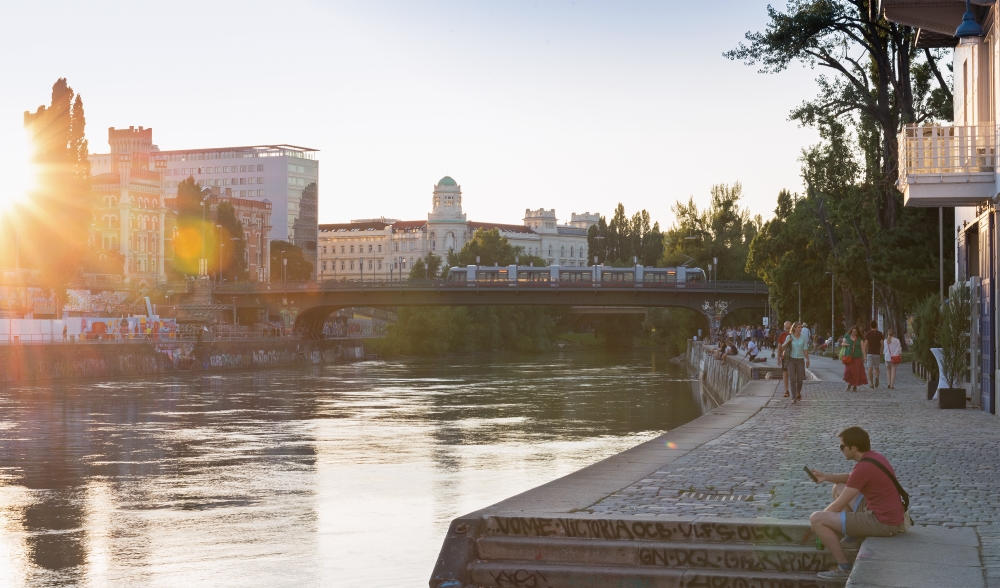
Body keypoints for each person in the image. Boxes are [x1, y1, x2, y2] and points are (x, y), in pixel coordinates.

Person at [808, 426, 908, 580]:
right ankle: (851, 537)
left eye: (842, 446)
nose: (841, 449)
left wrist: (816, 524)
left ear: (853, 448)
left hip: (882, 522)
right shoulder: (873, 457)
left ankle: (844, 568)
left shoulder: (864, 467)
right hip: (886, 514)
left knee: (817, 519)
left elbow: (837, 506)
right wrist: (826, 477)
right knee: (839, 488)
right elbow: (851, 477)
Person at [782, 322, 810, 403]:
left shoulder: (803, 337)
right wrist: (788, 342)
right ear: (794, 328)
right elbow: (782, 348)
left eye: (801, 327)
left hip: (800, 360)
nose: (800, 329)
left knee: (800, 380)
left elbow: (805, 349)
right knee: (793, 378)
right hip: (791, 359)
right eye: (798, 327)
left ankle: (798, 392)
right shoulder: (789, 337)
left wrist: (807, 359)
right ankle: (794, 397)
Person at [842, 325, 868, 391]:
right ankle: (849, 383)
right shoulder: (847, 336)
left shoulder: (860, 338)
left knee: (856, 372)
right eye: (853, 331)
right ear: (851, 331)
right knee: (848, 371)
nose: (854, 333)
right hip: (849, 356)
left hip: (857, 357)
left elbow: (862, 348)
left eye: (855, 332)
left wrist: (864, 356)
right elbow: (842, 343)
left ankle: (854, 386)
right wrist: (846, 344)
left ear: (857, 332)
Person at [864, 320, 885, 388]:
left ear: (870, 326)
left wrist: (864, 354)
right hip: (877, 353)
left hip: (870, 353)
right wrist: (881, 352)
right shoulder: (880, 334)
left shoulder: (868, 334)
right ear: (876, 325)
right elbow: (882, 344)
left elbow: (866, 344)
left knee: (870, 368)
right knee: (876, 367)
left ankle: (871, 383)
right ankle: (877, 377)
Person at [776, 321, 792, 397]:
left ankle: (794, 390)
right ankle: (786, 390)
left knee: (793, 374)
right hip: (784, 357)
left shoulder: (795, 335)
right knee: (785, 374)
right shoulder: (782, 335)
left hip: (793, 357)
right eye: (786, 328)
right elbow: (779, 347)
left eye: (789, 328)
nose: (788, 330)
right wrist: (778, 358)